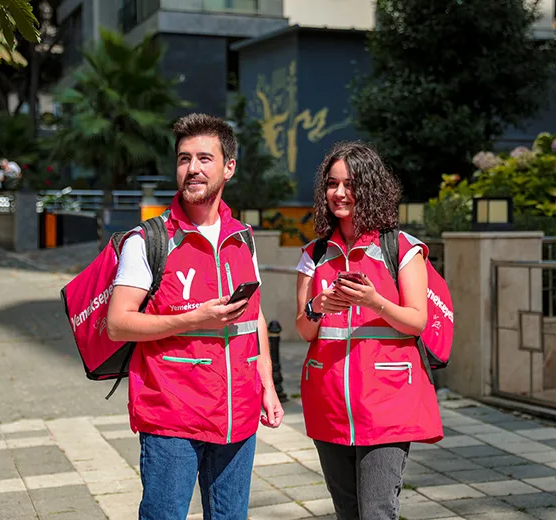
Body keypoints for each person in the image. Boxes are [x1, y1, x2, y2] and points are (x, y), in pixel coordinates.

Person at [107, 113, 284, 520]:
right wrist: (194, 319)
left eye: (205, 158)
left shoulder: (243, 238)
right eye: (184, 159)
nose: (193, 169)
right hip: (172, 415)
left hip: (237, 413)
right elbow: (118, 323)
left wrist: (267, 385)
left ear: (229, 167)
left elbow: (254, 317)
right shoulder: (148, 240)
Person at [294, 141, 443, 520]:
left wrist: (375, 301)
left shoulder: (401, 248)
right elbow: (304, 331)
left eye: (351, 184)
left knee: (376, 511)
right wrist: (317, 306)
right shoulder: (314, 254)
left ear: (371, 187)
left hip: (387, 402)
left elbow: (417, 320)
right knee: (346, 511)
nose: (339, 193)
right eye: (332, 183)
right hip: (328, 400)